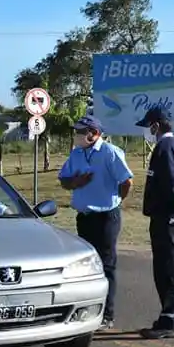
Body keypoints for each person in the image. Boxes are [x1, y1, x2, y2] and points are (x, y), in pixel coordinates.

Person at [58, 115, 134, 330]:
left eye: (82, 132)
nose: (78, 136)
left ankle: (107, 315)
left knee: (106, 266)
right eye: (77, 132)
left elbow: (126, 181)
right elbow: (63, 180)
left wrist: (116, 200)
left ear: (95, 133)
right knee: (86, 266)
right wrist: (76, 182)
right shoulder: (77, 153)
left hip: (106, 216)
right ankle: (86, 312)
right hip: (84, 217)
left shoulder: (110, 152)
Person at [135, 106, 174, 339]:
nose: (147, 132)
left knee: (167, 269)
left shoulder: (164, 147)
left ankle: (169, 322)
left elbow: (172, 184)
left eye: (148, 126)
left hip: (167, 217)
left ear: (156, 125)